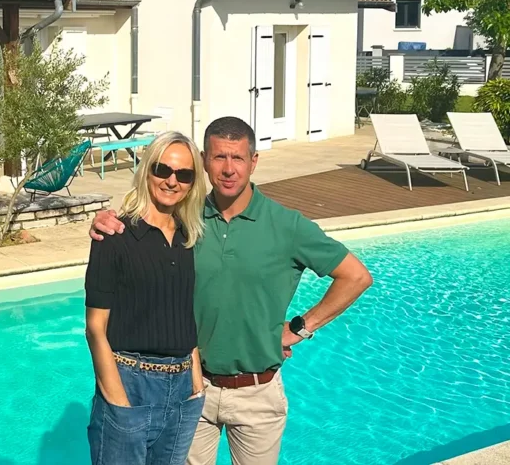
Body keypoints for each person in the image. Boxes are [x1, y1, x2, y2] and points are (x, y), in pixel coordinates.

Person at [91, 117, 373, 465]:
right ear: (205, 162)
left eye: (238, 158)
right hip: (192, 389)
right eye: (218, 158)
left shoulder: (286, 225)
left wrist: (299, 328)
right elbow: (143, 225)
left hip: (258, 393)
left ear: (253, 161)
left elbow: (356, 276)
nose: (228, 169)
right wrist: (106, 221)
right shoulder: (186, 219)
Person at [85, 131, 208, 465]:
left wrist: (196, 386)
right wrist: (118, 403)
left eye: (184, 174)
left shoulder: (188, 237)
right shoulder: (115, 235)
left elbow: (184, 312)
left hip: (183, 391)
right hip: (130, 383)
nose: (172, 181)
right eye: (162, 169)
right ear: (146, 170)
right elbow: (95, 327)